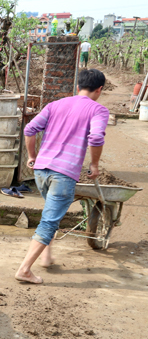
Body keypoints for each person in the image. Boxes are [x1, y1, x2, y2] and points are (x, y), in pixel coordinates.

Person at [15, 68, 109, 284]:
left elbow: (29, 129)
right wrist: (94, 165)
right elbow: (95, 138)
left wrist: (32, 156)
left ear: (78, 87)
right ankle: (24, 269)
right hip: (63, 174)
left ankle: (46, 256)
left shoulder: (54, 105)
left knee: (51, 214)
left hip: (41, 171)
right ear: (100, 90)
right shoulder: (98, 111)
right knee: (49, 221)